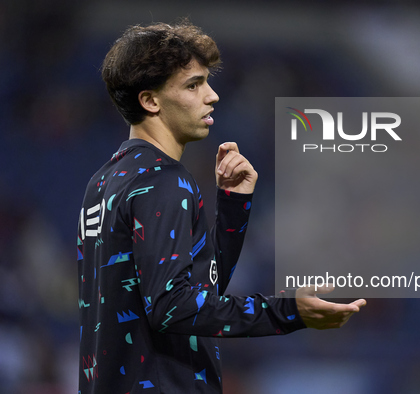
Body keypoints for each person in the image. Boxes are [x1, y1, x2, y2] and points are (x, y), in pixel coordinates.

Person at [77, 20, 366, 393]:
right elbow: (173, 306)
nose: (212, 96)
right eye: (194, 85)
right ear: (150, 100)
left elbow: (197, 290)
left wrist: (232, 205)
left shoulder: (103, 182)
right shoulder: (164, 180)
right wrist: (289, 311)